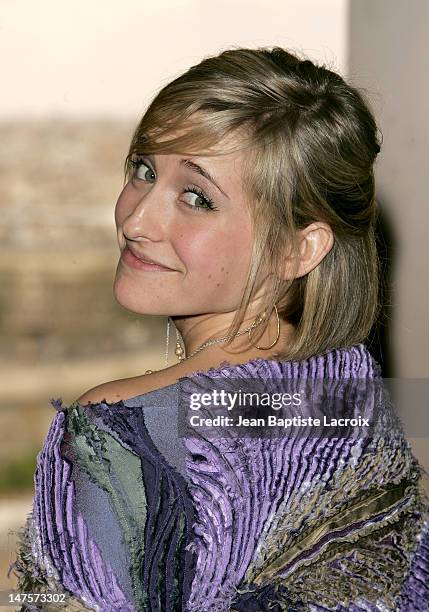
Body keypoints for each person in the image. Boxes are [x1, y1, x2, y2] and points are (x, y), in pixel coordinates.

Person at [11, 47, 429, 611]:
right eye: (143, 170)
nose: (135, 221)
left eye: (196, 198)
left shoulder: (119, 435)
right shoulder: (343, 396)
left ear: (298, 248)